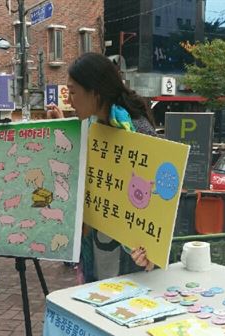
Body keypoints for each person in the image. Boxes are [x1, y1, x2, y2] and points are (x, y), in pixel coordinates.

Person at [47, 52, 156, 283]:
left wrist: (152, 250)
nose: (70, 100)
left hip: (132, 254)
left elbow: (156, 200)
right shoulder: (92, 125)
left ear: (95, 91)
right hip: (97, 244)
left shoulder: (137, 130)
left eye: (73, 92)